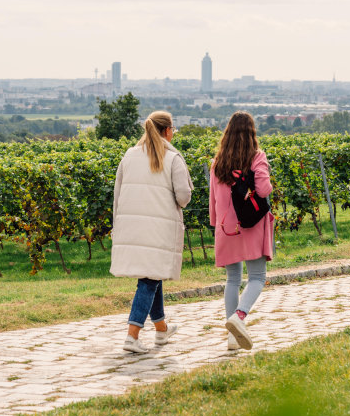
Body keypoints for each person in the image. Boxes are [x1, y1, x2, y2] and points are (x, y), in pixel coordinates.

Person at [111, 111, 193, 353]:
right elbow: (184, 197)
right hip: (160, 228)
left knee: (151, 275)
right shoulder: (173, 158)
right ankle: (132, 335)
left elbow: (118, 193)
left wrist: (118, 223)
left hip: (132, 226)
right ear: (167, 131)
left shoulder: (130, 155)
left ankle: (161, 330)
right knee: (149, 280)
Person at [209, 111, 274, 350]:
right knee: (257, 277)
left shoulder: (218, 163)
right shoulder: (257, 157)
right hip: (251, 226)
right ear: (252, 133)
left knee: (232, 279)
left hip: (226, 229)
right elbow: (265, 190)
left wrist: (216, 226)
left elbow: (213, 199)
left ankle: (232, 338)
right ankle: (239, 316)